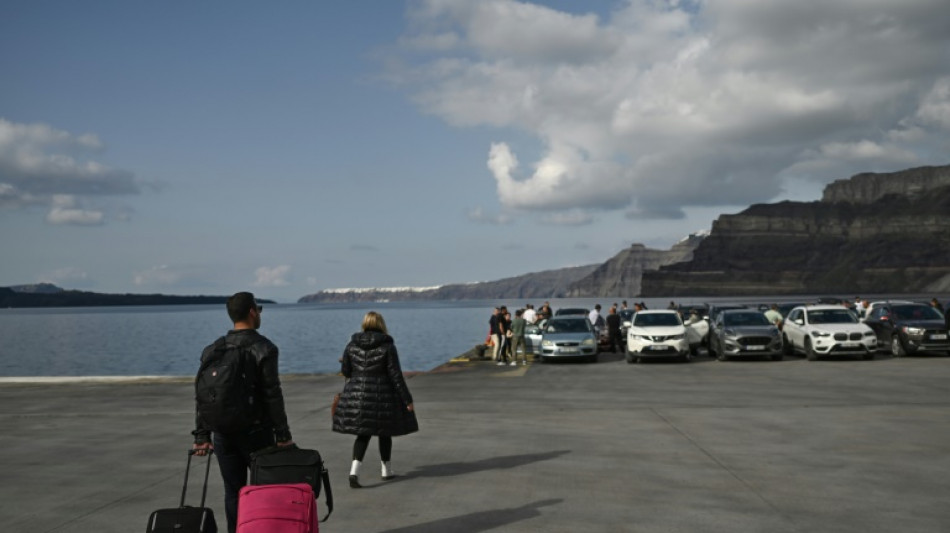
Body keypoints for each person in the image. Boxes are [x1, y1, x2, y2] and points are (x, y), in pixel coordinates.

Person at [192, 292, 294, 533]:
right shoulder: (264, 347)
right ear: (252, 312)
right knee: (264, 492)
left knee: (233, 493)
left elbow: (204, 395)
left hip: (223, 433)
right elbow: (272, 394)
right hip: (256, 432)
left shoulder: (212, 349)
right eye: (258, 308)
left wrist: (202, 435)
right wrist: (283, 434)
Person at [333, 311, 418, 488]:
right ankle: (386, 471)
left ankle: (354, 472)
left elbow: (347, 372)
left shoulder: (351, 345)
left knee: (362, 434)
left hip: (357, 397)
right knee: (384, 433)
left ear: (364, 323)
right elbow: (395, 375)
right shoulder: (387, 346)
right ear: (381, 324)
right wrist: (407, 399)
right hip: (382, 396)